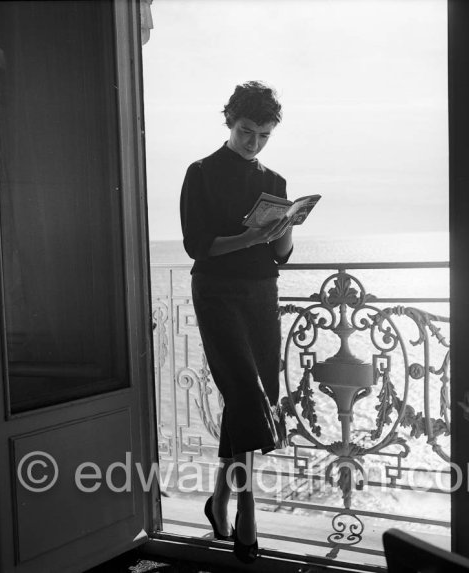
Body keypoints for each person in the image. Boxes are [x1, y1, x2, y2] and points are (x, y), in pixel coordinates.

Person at [180, 80, 293, 563]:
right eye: (247, 131)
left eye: (264, 134)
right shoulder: (200, 173)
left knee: (250, 398)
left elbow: (282, 256)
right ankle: (248, 506)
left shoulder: (275, 182)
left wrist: (283, 230)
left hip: (261, 294)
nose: (254, 143)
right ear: (230, 122)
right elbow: (198, 246)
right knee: (248, 398)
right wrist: (249, 237)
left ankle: (219, 500)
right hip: (217, 293)